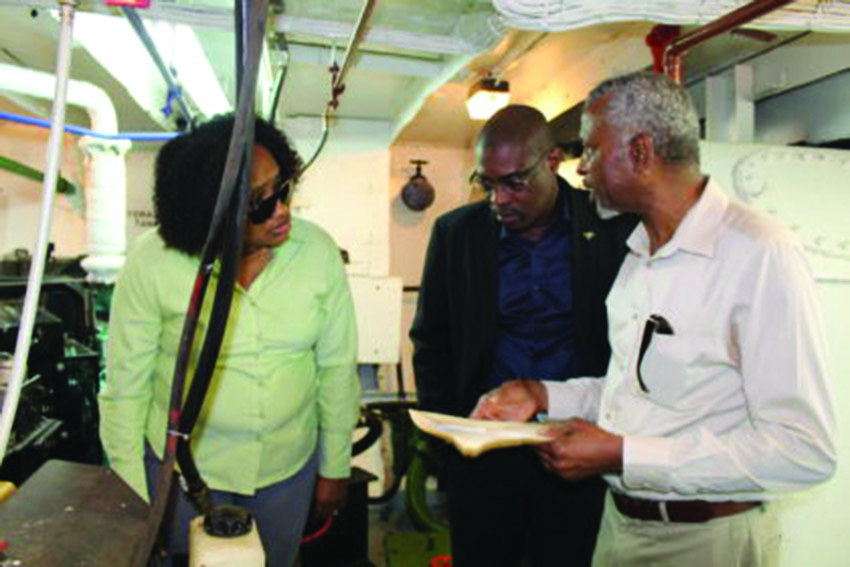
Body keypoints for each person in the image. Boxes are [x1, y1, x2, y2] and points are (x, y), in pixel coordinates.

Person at [472, 72, 837, 567]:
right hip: (621, 525)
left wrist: (623, 454)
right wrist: (540, 394)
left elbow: (802, 450)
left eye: (593, 151)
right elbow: (634, 394)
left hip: (705, 539)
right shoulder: (640, 252)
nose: (583, 171)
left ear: (640, 152)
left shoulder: (757, 252)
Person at [99, 115, 360, 567]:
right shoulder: (153, 261)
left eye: (283, 189)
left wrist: (334, 466)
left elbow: (336, 369)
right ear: (209, 213)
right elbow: (125, 390)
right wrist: (136, 503)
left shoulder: (317, 253)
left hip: (286, 473)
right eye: (259, 204)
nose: (281, 211)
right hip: (181, 476)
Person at [409, 104, 636, 566]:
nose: (499, 200)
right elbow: (432, 340)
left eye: (515, 182)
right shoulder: (457, 234)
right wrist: (449, 444)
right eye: (487, 184)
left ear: (552, 161)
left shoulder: (614, 229)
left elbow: (627, 348)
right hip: (484, 458)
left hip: (576, 451)